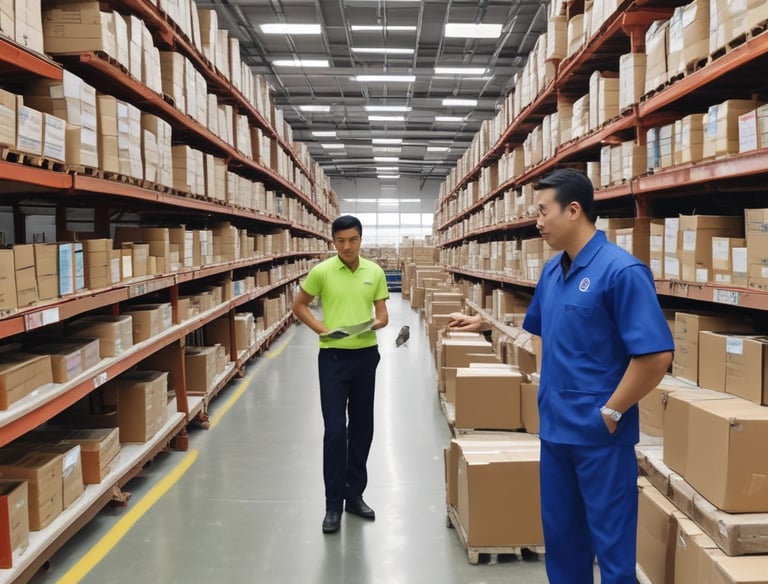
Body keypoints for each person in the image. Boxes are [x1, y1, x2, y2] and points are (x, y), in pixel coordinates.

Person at [449, 168, 673, 584]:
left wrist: (611, 412)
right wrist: (488, 326)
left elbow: (656, 355)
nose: (537, 221)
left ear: (573, 210)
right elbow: (540, 332)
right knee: (563, 544)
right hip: (554, 432)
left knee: (613, 553)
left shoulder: (621, 272)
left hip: (600, 438)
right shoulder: (552, 271)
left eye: (542, 211)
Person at [292, 215, 389, 534]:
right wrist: (322, 329)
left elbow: (383, 314)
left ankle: (354, 496)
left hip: (365, 356)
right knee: (335, 431)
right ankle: (332, 504)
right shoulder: (321, 272)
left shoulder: (374, 272)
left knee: (362, 428)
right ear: (333, 241)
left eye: (353, 239)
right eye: (341, 241)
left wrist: (375, 323)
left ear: (361, 239)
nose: (347, 246)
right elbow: (299, 305)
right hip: (332, 358)